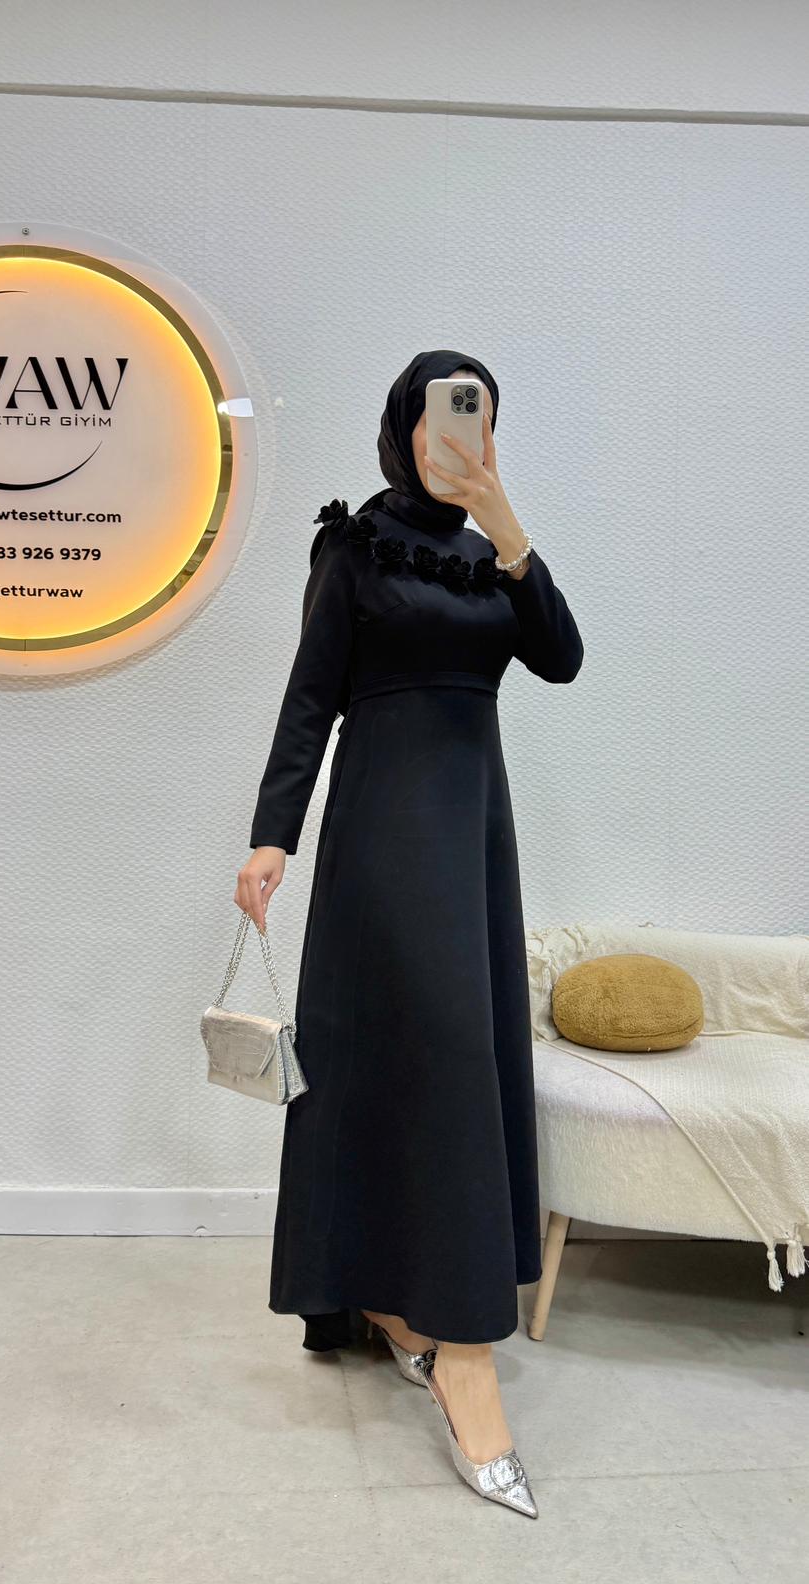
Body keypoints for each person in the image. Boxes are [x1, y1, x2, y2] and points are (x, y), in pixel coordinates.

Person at [235, 349, 584, 1515]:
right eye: (441, 419)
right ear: (404, 428)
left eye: (478, 421)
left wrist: (507, 521)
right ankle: (460, 1353)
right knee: (420, 1059)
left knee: (449, 1061)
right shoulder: (355, 549)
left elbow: (561, 658)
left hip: (474, 841)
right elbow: (309, 697)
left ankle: (407, 1304)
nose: (458, 440)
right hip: (384, 840)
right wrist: (272, 835)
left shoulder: (494, 557)